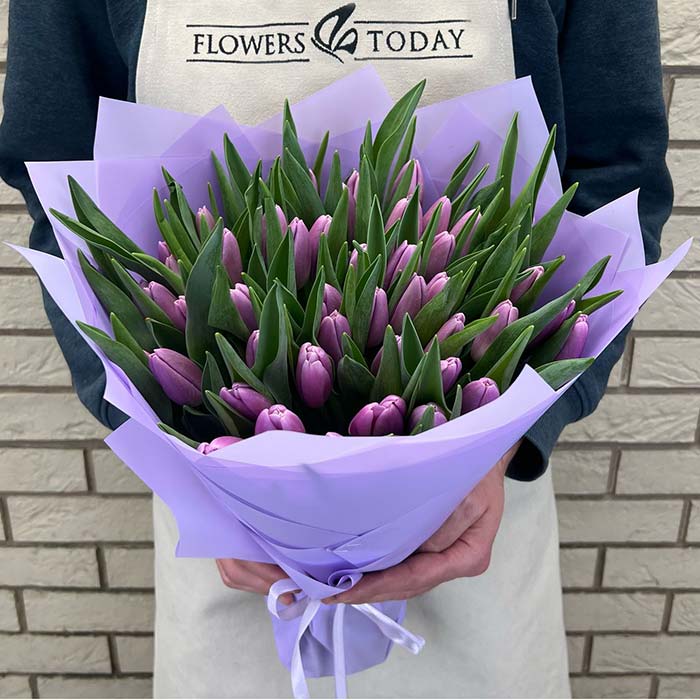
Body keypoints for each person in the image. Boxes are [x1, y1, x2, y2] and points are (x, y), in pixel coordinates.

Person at [0, 1, 672, 697]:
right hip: (221, 503)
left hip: (480, 505)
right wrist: (168, 452)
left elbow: (616, 175)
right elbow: (62, 185)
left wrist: (514, 443)